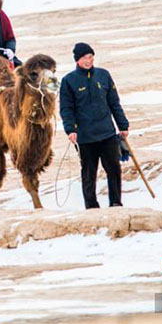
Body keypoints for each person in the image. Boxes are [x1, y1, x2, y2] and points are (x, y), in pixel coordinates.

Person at [59, 42, 130, 209]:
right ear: (77, 60)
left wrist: (123, 125)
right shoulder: (68, 81)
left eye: (90, 57)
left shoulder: (103, 75)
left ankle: (115, 202)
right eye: (85, 58)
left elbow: (114, 103)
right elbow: (66, 109)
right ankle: (91, 206)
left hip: (107, 133)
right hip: (85, 136)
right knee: (89, 173)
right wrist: (70, 129)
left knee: (114, 169)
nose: (88, 61)